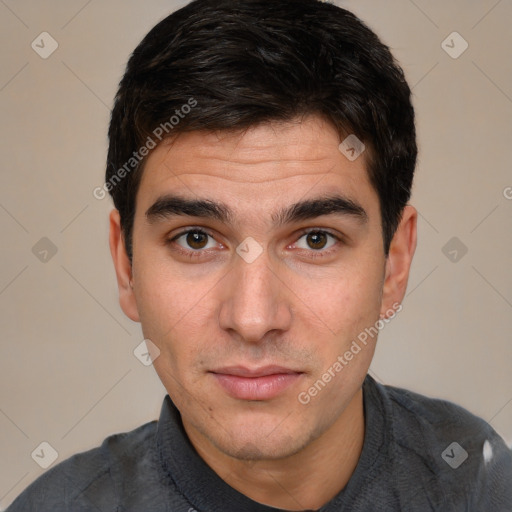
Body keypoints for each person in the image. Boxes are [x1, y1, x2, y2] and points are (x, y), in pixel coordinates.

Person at [7, 0, 511, 510]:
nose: (252, 319)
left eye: (316, 239)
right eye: (196, 239)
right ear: (126, 264)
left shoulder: (482, 484)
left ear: (394, 263)